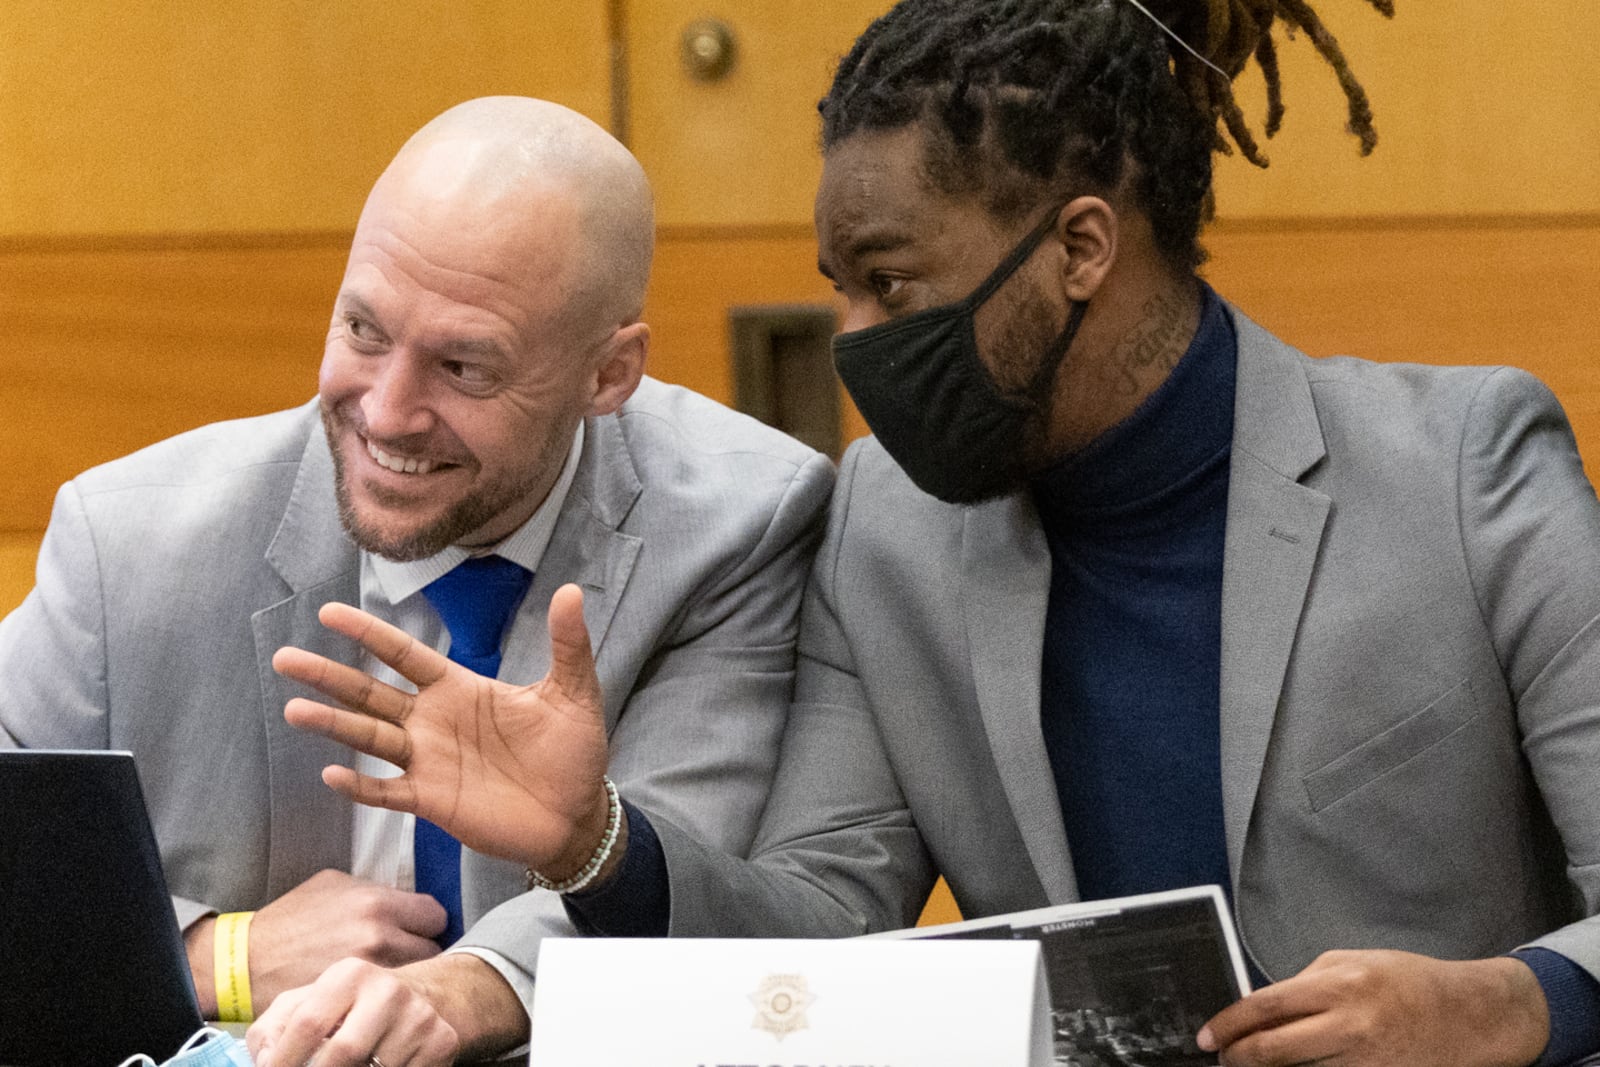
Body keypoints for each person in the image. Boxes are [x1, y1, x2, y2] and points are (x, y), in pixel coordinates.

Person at [269, 2, 1600, 1065]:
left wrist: (1516, 1004)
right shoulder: (886, 530)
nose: (857, 344)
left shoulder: (1463, 469)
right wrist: (599, 842)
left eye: (894, 284)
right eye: (839, 289)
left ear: (1082, 245)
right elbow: (822, 925)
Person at [0, 96, 833, 1061]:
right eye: (363, 329)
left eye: (464, 368)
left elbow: (701, 883)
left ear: (608, 375)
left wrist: (469, 988)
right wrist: (216, 954)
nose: (389, 413)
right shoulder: (129, 543)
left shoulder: (735, 526)